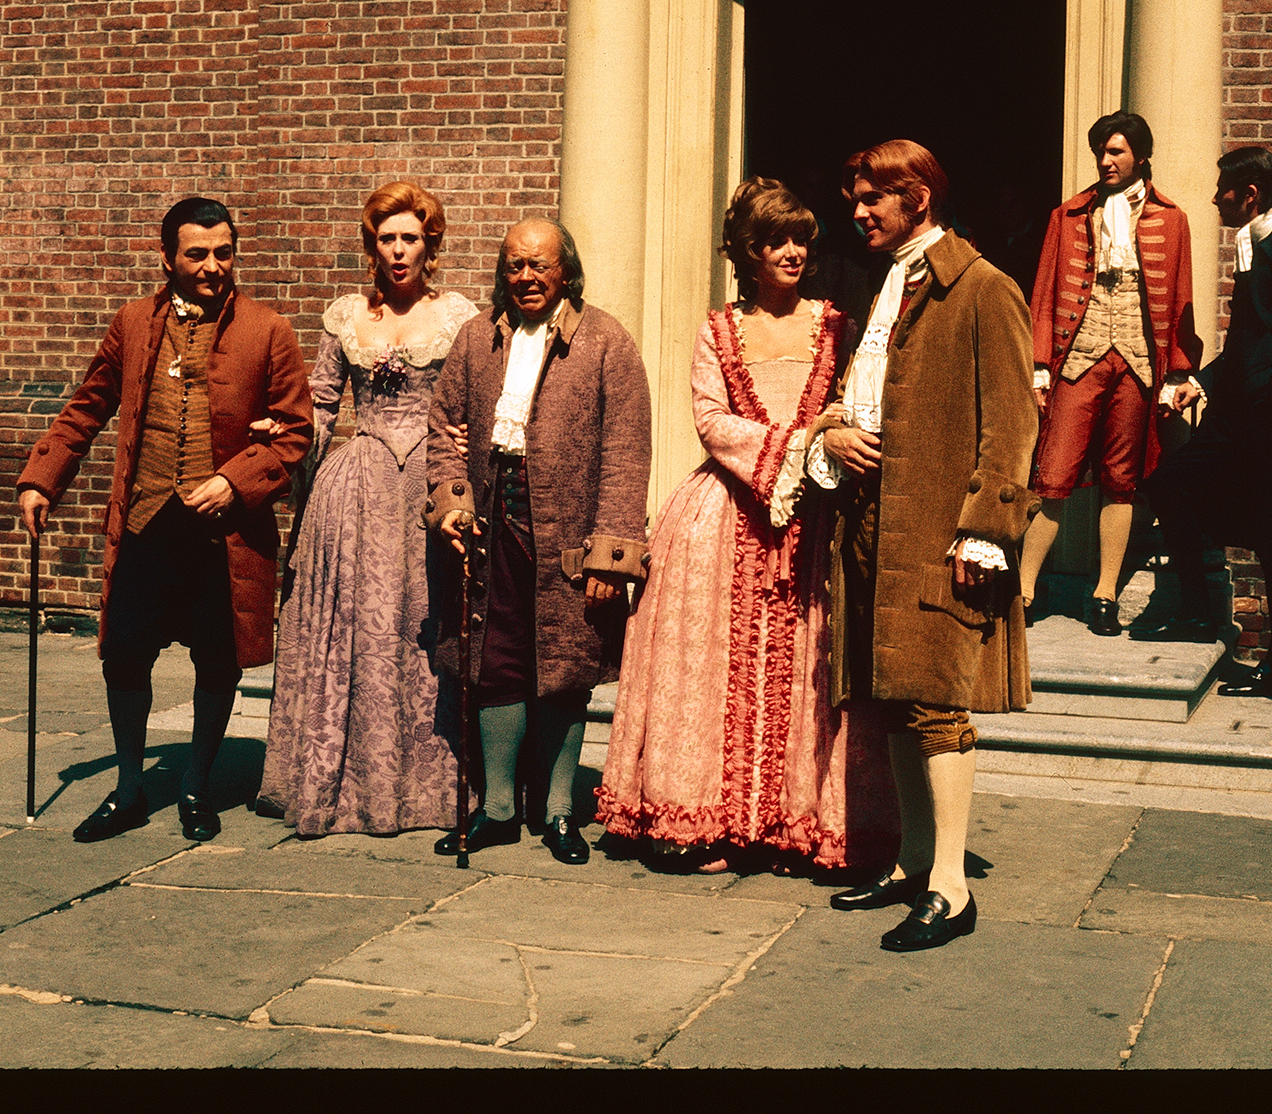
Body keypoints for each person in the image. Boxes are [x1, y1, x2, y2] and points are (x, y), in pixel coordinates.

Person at [597, 178, 898, 874]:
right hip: (723, 516)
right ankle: (710, 822)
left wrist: (827, 441)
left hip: (814, 522)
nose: (793, 253)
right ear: (748, 253)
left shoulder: (836, 326)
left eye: (801, 240)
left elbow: (856, 410)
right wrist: (799, 442)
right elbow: (711, 420)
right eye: (776, 242)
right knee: (710, 671)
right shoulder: (718, 328)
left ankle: (791, 826)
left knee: (808, 674)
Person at [18, 197, 312, 843]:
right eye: (197, 254)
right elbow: (86, 407)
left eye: (224, 253)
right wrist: (44, 479)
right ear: (167, 258)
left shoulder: (269, 330)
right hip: (147, 519)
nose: (213, 266)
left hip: (222, 534)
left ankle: (195, 788)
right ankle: (129, 789)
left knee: (218, 660)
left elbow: (295, 433)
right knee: (124, 653)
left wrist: (234, 481)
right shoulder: (131, 322)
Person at [809, 141, 1039, 951]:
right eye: (857, 199)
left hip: (944, 535)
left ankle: (952, 888)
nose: (859, 213)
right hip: (875, 527)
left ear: (920, 197)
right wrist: (833, 432)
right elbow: (860, 396)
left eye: (874, 199)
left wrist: (986, 531)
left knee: (940, 706)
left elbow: (1013, 424)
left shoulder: (982, 289)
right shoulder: (890, 286)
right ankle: (912, 861)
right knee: (898, 703)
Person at [425, 218, 652, 865]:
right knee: (493, 662)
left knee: (563, 669)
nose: (526, 277)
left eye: (539, 265)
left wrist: (611, 553)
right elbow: (444, 425)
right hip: (491, 527)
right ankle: (497, 809)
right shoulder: (477, 339)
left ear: (566, 271)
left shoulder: (606, 341)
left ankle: (557, 814)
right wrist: (452, 504)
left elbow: (627, 452)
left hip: (568, 535)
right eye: (515, 265)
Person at [255, 182, 477, 835]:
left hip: (427, 494)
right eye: (388, 239)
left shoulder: (458, 317)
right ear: (372, 246)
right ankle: (347, 781)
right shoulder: (347, 317)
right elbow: (319, 406)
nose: (399, 250)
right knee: (360, 629)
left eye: (411, 237)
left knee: (425, 626)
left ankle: (428, 789)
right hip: (358, 488)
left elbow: (471, 397)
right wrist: (289, 442)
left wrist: (465, 440)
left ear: (429, 244)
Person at [1134, 147, 1272, 699]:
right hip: (1239, 418)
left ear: (1249, 194)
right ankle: (1199, 611)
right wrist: (1198, 384)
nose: (1214, 198)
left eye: (1222, 189)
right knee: (1169, 483)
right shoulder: (1252, 243)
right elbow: (1248, 341)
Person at [1018, 112, 1202, 636]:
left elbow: (1181, 298)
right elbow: (1045, 293)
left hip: (1140, 364)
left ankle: (1104, 595)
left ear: (1140, 157)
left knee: (1122, 483)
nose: (1106, 161)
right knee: (1053, 476)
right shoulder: (1069, 215)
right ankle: (1025, 590)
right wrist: (1037, 366)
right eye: (1102, 151)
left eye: (1117, 152)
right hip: (1080, 357)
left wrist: (1179, 372)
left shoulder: (1172, 218)